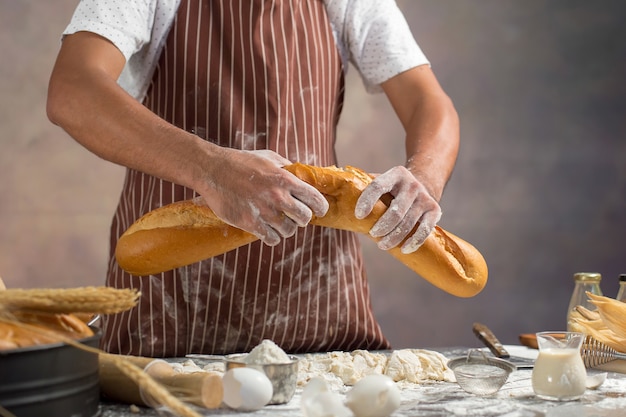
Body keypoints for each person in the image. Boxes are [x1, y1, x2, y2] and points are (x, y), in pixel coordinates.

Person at [47, 0, 459, 358]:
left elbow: (428, 100)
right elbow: (73, 90)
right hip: (168, 316)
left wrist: (424, 174)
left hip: (319, 311)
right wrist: (211, 169)